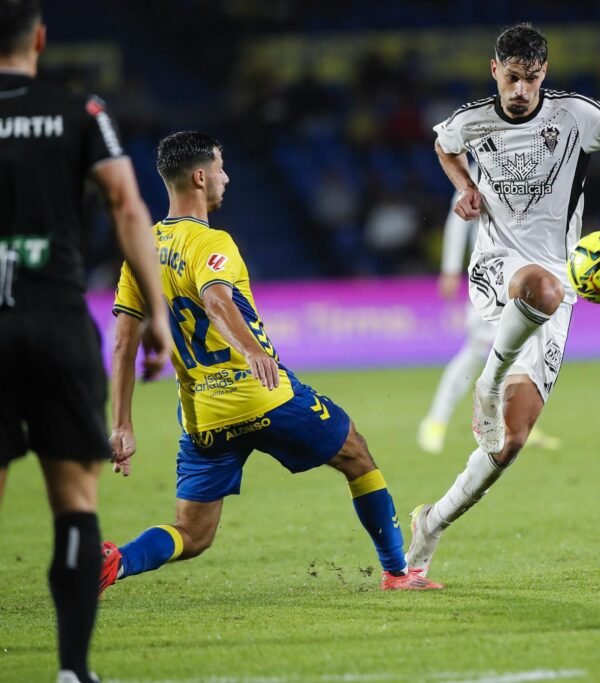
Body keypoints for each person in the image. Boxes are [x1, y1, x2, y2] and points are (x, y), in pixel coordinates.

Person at [100, 131, 441, 594]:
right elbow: (218, 301)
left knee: (192, 533)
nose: (226, 176)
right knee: (356, 454)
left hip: (204, 416)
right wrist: (254, 352)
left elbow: (123, 342)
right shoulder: (210, 243)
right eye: (220, 167)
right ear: (200, 177)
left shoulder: (141, 248)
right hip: (263, 394)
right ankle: (398, 573)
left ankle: (116, 562)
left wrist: (122, 423)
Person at [406, 23, 600, 574]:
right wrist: (463, 189)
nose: (520, 90)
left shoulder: (576, 116)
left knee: (510, 441)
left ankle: (430, 524)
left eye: (531, 80)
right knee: (539, 286)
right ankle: (486, 385)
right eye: (512, 78)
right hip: (497, 270)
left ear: (544, 75)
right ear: (495, 71)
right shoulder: (471, 120)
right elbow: (444, 145)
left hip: (558, 282)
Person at [0, 2, 172, 681]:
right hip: (55, 318)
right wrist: (156, 313)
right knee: (74, 500)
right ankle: (73, 670)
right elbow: (128, 206)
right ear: (39, 38)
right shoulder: (80, 110)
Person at [417, 164, 561, 455]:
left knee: (526, 352)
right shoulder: (484, 165)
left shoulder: (530, 163)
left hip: (525, 276)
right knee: (476, 352)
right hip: (492, 276)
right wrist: (449, 268)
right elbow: (458, 220)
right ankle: (435, 421)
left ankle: (516, 423)